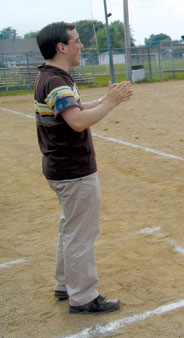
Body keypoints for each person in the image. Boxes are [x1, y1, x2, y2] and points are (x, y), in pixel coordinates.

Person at [34, 22, 133, 314]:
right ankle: (83, 296)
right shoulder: (56, 81)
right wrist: (111, 104)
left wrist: (105, 98)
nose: (82, 46)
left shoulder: (51, 76)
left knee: (70, 229)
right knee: (81, 234)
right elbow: (77, 121)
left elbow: (73, 108)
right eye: (76, 41)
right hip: (73, 170)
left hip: (62, 168)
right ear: (61, 47)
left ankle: (65, 284)